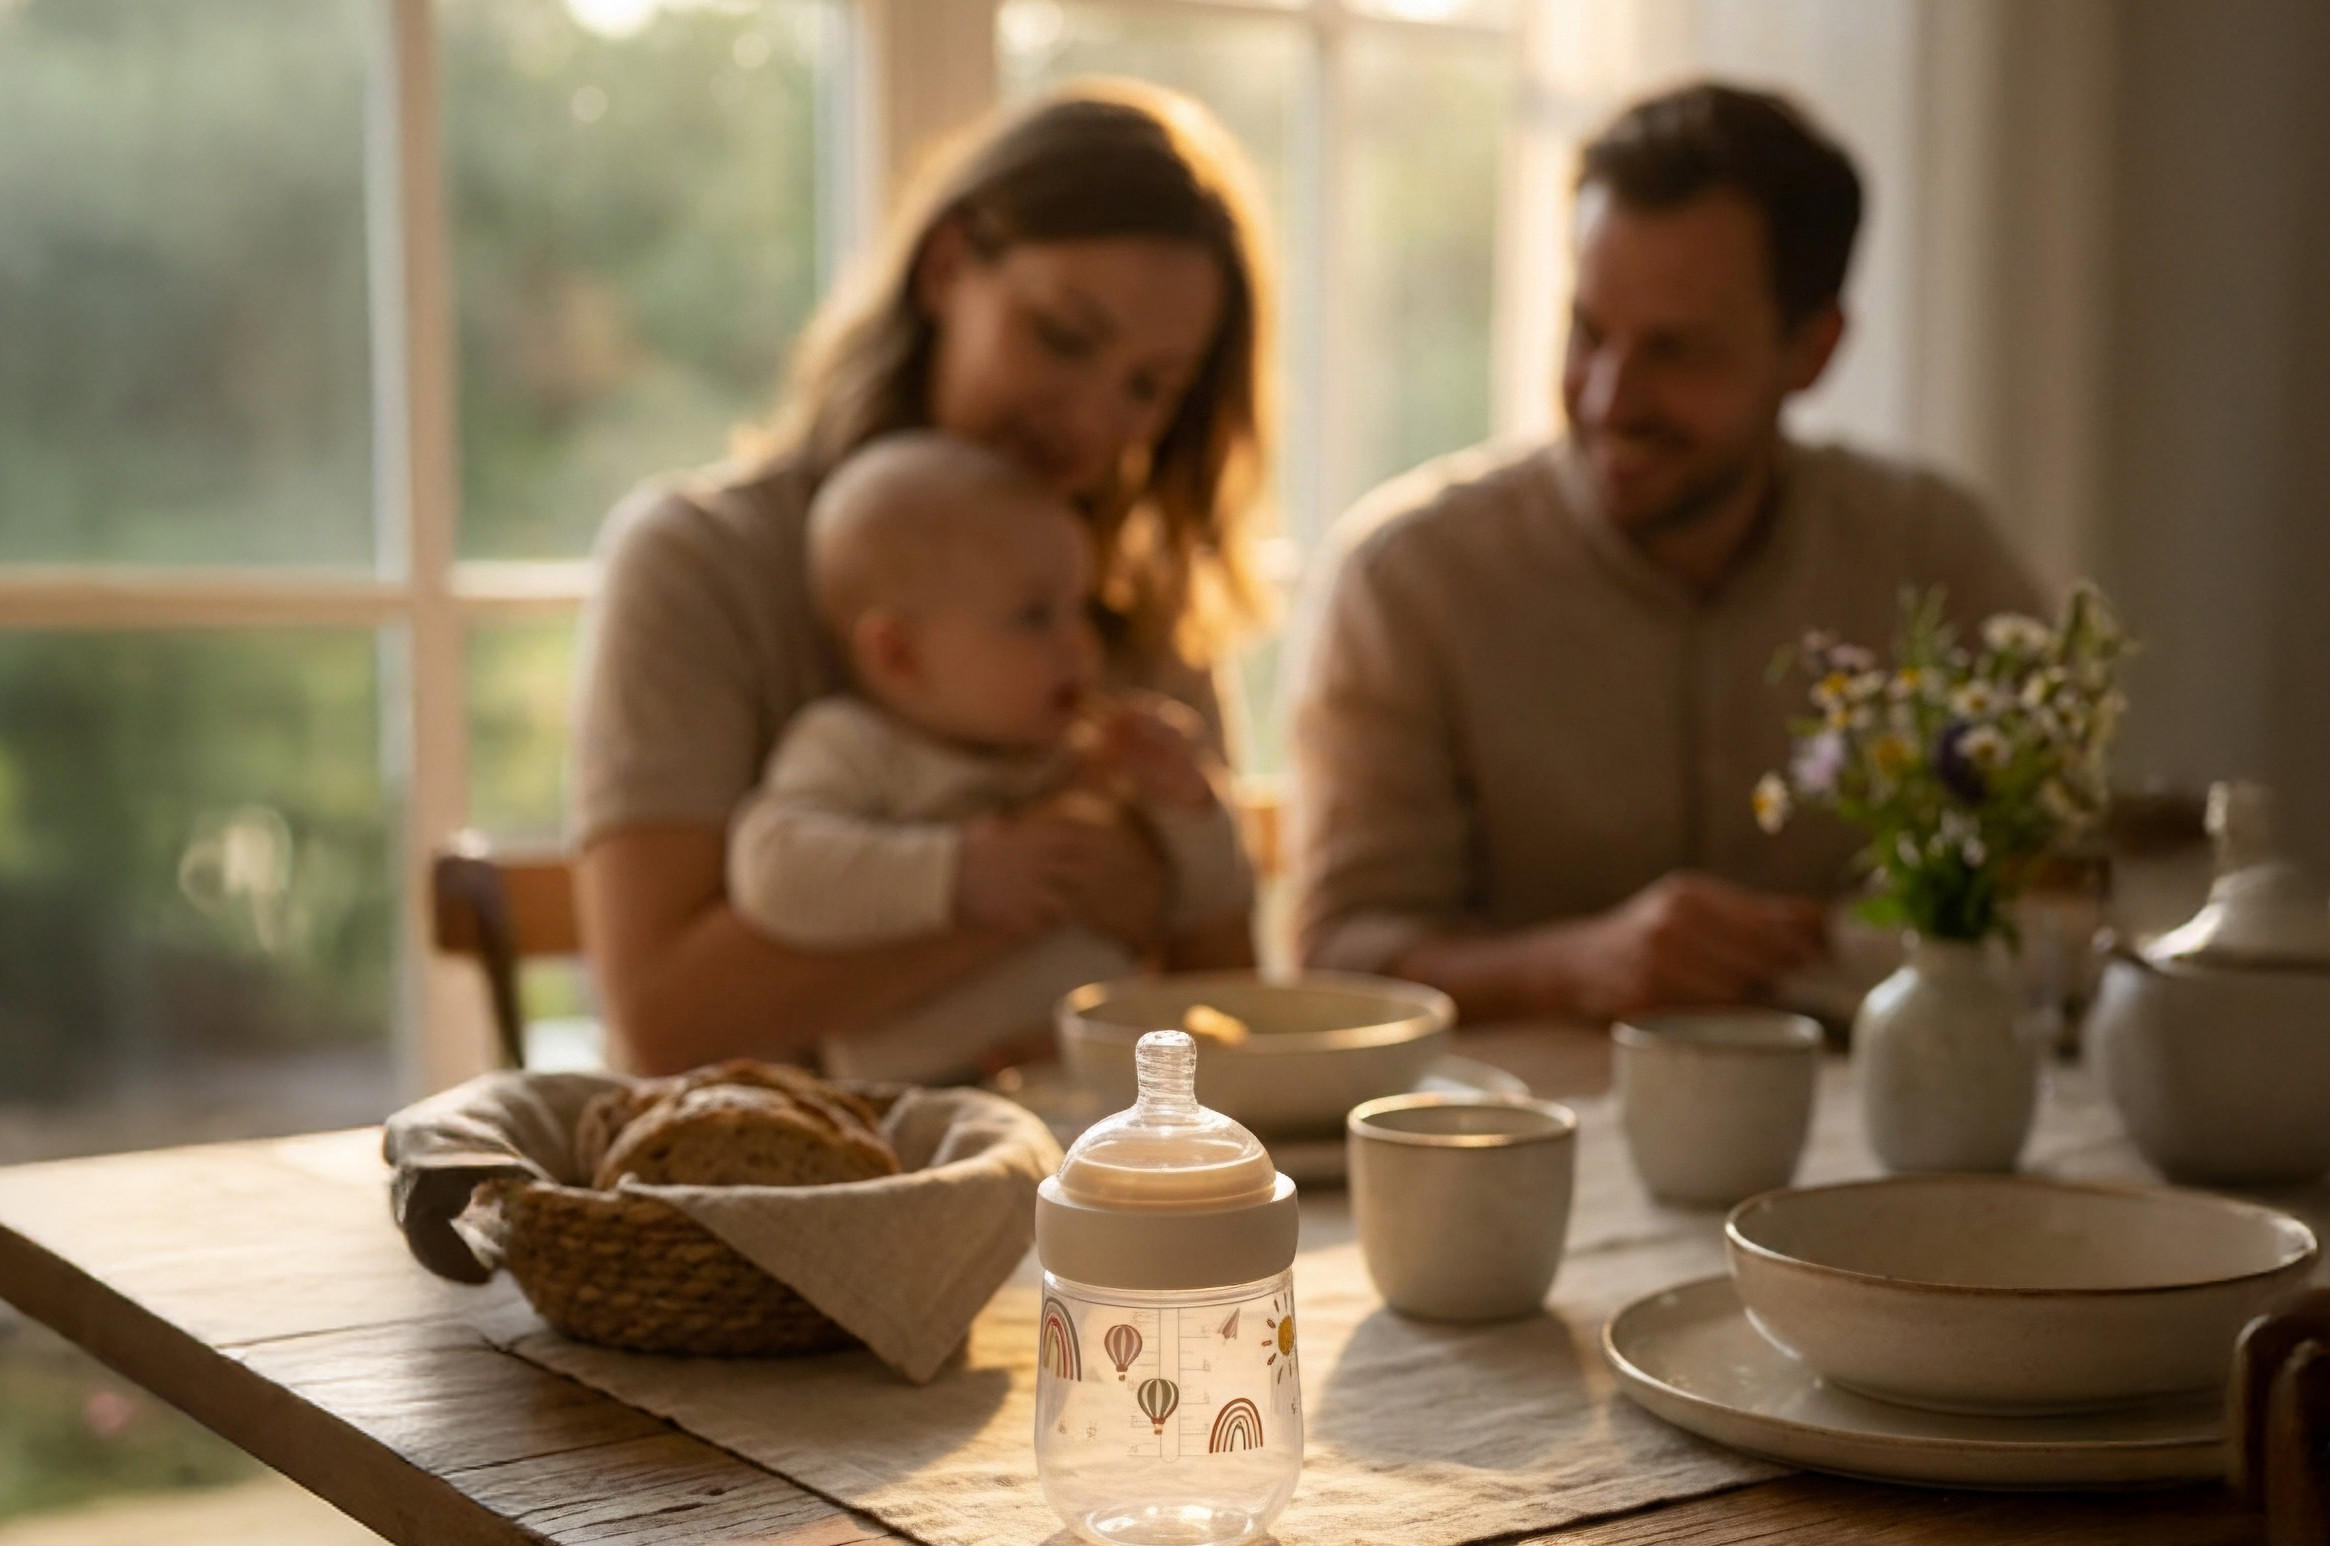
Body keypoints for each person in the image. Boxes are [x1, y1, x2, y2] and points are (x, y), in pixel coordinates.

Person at [1288, 81, 2053, 1023]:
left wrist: (1819, 949)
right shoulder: (1406, 582)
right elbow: (1335, 960)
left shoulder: (1934, 550)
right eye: (1588, 332)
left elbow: (2061, 888)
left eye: (1679, 351)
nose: (1610, 399)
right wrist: (1572, 965)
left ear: (1812, 350)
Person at [571, 83, 1273, 1073]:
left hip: (1071, 1188)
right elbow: (666, 1022)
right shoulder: (701, 564)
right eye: (1062, 337)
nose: (1088, 419)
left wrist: (1172, 861)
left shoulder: (1134, 606)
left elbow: (1222, 1008)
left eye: (1148, 387)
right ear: (946, 267)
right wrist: (1052, 872)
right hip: (762, 1202)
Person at [727, 431, 1250, 1083]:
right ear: (899, 655)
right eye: (1035, 617)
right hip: (918, 1113)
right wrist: (957, 873)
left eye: (1078, 609)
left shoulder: (1081, 755)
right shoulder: (854, 745)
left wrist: (1189, 804)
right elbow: (773, 865)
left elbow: (1206, 902)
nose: (1081, 646)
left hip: (1095, 1098)